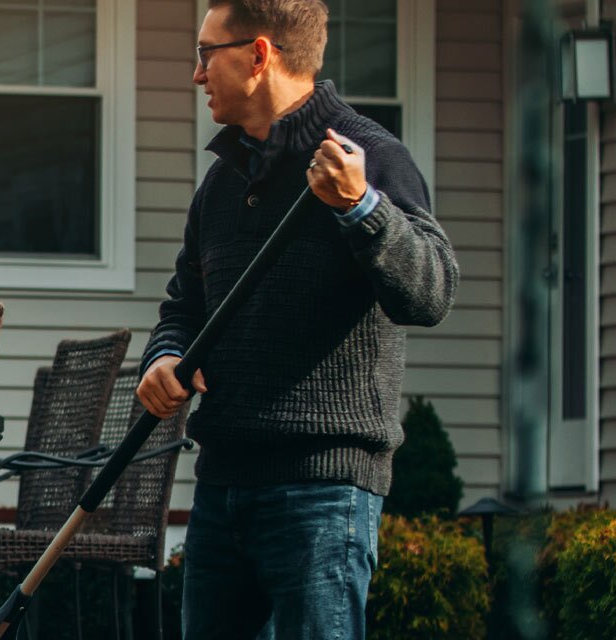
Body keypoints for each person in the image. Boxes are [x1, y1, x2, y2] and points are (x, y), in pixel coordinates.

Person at [138, 1, 459, 637]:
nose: (197, 74)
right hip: (222, 483)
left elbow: (432, 293)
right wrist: (165, 355)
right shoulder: (221, 184)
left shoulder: (368, 156)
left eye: (206, 54)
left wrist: (362, 207)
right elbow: (185, 305)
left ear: (258, 55)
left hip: (323, 490)